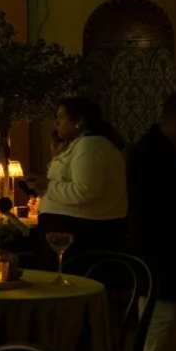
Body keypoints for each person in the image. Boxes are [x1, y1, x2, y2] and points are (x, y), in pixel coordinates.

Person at [132, 91, 176, 351]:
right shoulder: (152, 158)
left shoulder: (165, 153)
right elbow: (165, 222)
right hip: (165, 272)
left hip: (172, 271)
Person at [38, 96, 129, 262]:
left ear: (78, 120)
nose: (56, 124)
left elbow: (85, 190)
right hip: (73, 229)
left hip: (80, 233)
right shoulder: (81, 145)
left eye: (61, 117)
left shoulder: (90, 146)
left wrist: (47, 185)